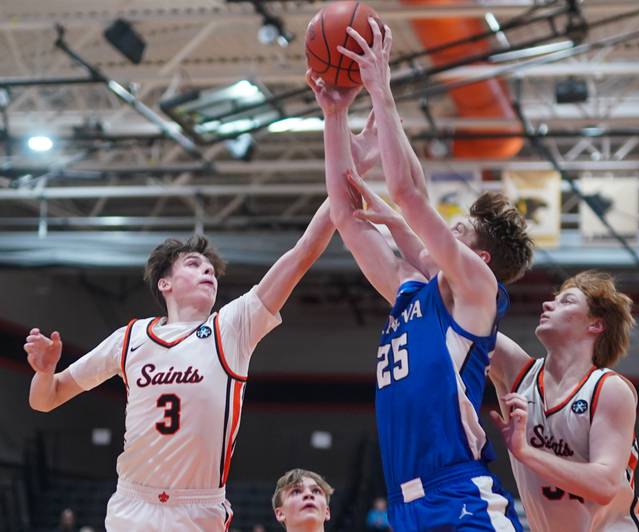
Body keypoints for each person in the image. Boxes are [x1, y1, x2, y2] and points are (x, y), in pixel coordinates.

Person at [310, 17, 533, 531]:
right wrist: (336, 116)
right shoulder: (412, 292)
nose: (441, 235)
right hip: (405, 504)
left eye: (457, 233)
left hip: (461, 497)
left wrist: (381, 90)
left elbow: (411, 195)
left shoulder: (480, 293)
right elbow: (344, 216)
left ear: (479, 259)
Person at [25, 199, 339, 531]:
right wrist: (44, 373)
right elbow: (45, 399)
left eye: (211, 271)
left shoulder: (232, 328)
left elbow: (303, 252)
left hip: (197, 508)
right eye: (194, 264)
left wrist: (343, 182)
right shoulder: (129, 337)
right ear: (165, 283)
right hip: (133, 503)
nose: (208, 272)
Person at [487, 271, 639, 531]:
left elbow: (604, 485)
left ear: (595, 325)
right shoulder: (519, 375)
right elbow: (460, 315)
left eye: (566, 301)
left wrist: (526, 452)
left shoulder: (608, 388)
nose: (547, 304)